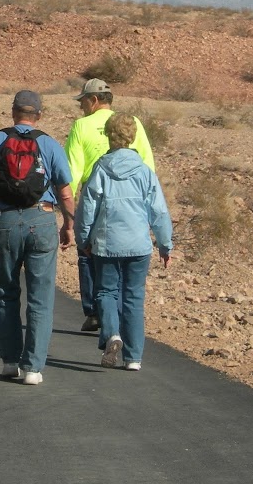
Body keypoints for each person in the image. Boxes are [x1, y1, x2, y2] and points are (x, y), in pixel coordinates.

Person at [0, 90, 76, 385]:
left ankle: (9, 361)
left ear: (13, 112)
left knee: (6, 292)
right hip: (41, 220)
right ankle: (33, 368)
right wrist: (69, 225)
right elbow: (65, 193)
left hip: (4, 223)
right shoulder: (49, 144)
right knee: (40, 297)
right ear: (39, 115)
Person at [75, 113, 172, 371]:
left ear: (109, 135)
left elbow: (87, 208)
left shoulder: (100, 169)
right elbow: (158, 211)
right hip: (139, 245)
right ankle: (134, 358)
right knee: (133, 297)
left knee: (106, 291)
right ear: (132, 137)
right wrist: (165, 243)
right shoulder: (144, 172)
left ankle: (111, 335)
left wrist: (83, 238)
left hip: (107, 244)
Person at [64, 78, 154, 332]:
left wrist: (70, 216)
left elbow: (72, 171)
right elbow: (148, 165)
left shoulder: (81, 126)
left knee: (88, 253)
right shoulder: (132, 123)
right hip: (132, 201)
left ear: (94, 100)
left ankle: (95, 312)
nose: (81, 107)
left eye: (83, 101)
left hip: (96, 197)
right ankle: (122, 317)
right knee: (126, 259)